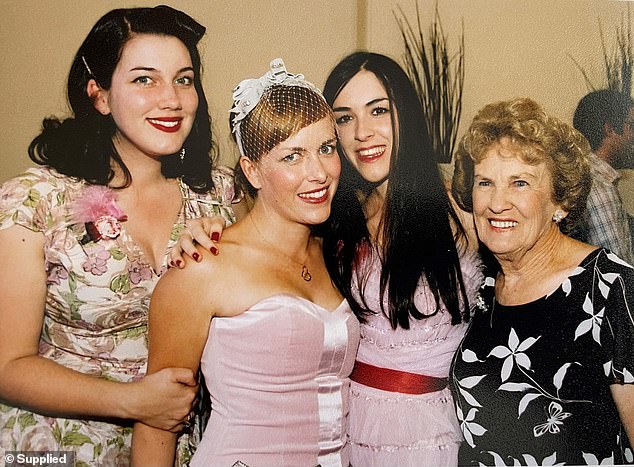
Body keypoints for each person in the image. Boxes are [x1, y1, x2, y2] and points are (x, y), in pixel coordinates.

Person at [0, 6, 239, 466]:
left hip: (185, 450)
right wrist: (133, 401)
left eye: (184, 79)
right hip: (56, 450)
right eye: (144, 80)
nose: (170, 99)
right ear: (100, 96)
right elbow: (8, 367)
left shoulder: (222, 196)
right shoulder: (35, 201)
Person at [131, 59, 360, 467]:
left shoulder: (333, 254)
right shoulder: (203, 266)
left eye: (326, 148)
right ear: (252, 171)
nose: (319, 172)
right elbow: (157, 424)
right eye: (292, 156)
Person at [451, 97, 634, 466]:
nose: (497, 202)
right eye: (485, 182)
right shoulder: (481, 289)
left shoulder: (612, 290)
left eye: (520, 183)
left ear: (561, 201)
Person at [320, 51, 483, 466]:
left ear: (405, 114)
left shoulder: (463, 209)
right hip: (343, 430)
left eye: (378, 110)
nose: (362, 132)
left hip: (429, 436)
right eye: (344, 117)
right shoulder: (332, 217)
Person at [572, 89, 634, 264]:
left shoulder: (582, 174)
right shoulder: (599, 188)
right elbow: (619, 275)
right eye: (632, 126)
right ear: (611, 129)